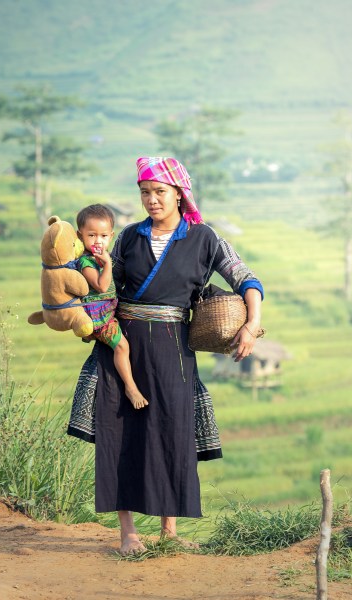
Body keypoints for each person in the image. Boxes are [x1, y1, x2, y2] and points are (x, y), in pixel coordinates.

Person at [68, 156, 263, 556]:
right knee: (119, 434)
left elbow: (246, 279)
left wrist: (251, 324)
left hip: (174, 348)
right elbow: (106, 285)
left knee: (172, 431)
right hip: (124, 341)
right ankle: (128, 535)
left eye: (159, 192)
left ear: (179, 194)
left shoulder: (204, 238)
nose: (152, 200)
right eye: (145, 193)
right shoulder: (128, 237)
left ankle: (169, 532)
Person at [75, 204, 148, 410]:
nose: (98, 241)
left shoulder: (98, 258)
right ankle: (130, 387)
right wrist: (107, 264)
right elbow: (101, 286)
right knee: (122, 347)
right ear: (80, 236)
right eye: (92, 235)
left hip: (108, 312)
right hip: (99, 318)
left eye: (104, 236)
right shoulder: (86, 262)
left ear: (111, 236)